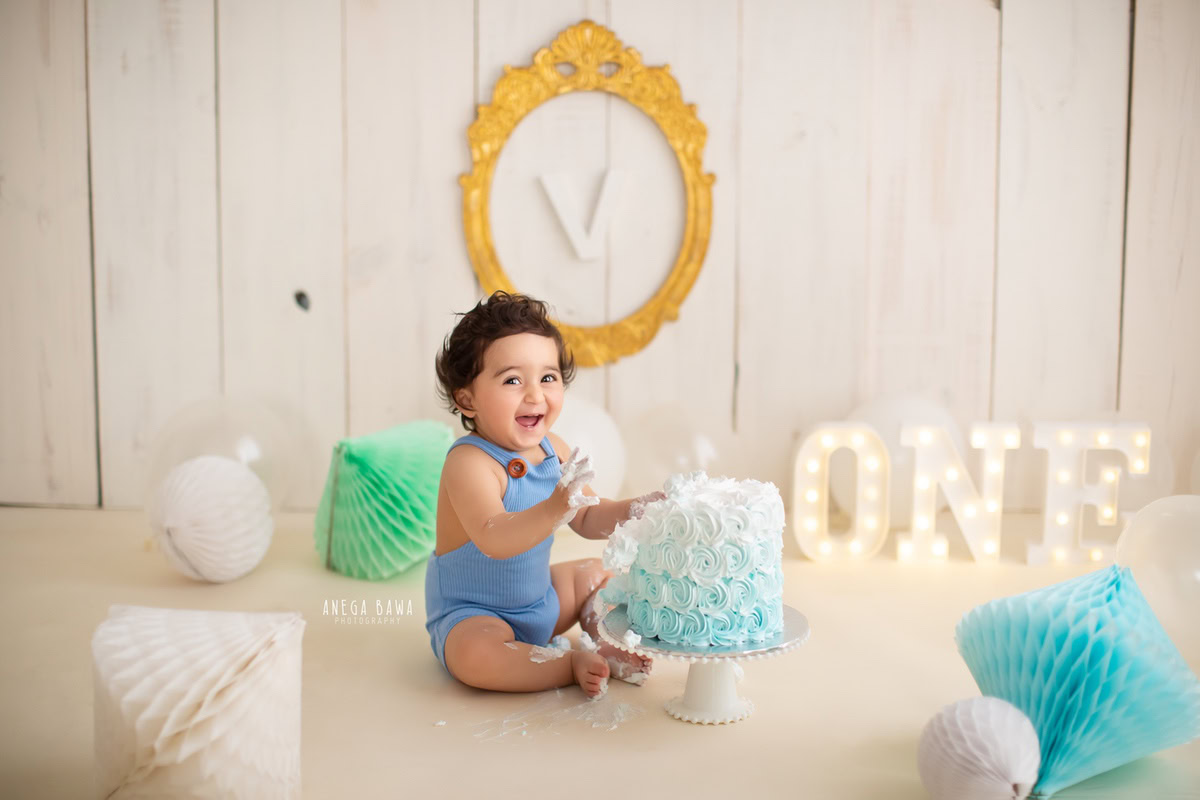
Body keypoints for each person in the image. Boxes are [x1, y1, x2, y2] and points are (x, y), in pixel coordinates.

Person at [426, 290, 658, 698]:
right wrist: (556, 505)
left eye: (547, 378)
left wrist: (637, 510)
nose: (535, 395)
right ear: (467, 398)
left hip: (542, 603)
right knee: (474, 656)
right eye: (513, 380)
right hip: (477, 616)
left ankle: (605, 641)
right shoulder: (470, 463)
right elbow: (494, 536)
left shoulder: (554, 449)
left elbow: (587, 515)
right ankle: (564, 663)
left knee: (598, 575)